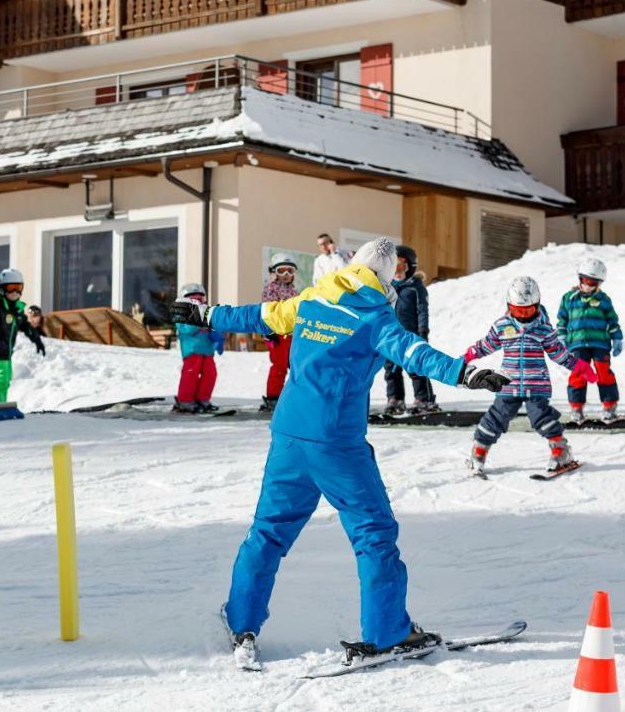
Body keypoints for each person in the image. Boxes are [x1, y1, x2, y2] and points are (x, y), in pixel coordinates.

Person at [171, 238, 509, 667]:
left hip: (290, 436)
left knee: (268, 532)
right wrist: (467, 372)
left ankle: (242, 621)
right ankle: (388, 631)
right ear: (384, 279)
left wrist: (206, 313)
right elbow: (414, 353)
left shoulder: (313, 299)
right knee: (373, 534)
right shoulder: (374, 317)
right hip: (337, 445)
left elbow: (259, 317)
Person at [464, 276, 596, 476]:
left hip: (536, 385)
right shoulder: (502, 326)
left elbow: (558, 353)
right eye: (518, 310)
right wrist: (470, 354)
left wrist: (579, 366)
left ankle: (561, 451)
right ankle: (479, 450)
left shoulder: (543, 329)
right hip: (508, 383)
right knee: (496, 417)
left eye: (528, 310)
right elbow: (487, 344)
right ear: (510, 306)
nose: (524, 315)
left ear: (537, 305)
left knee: (541, 417)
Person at [558, 258, 624, 425]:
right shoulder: (569, 298)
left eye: (592, 282)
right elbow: (562, 320)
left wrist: (617, 337)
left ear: (599, 283)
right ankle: (576, 409)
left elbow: (612, 320)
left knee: (603, 373)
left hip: (600, 343)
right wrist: (561, 336)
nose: (588, 285)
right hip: (577, 344)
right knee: (579, 374)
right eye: (585, 280)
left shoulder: (603, 299)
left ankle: (609, 407)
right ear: (579, 278)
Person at [383, 245, 439, 416]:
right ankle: (395, 399)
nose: (397, 272)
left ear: (410, 267)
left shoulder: (416, 287)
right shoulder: (387, 288)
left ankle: (425, 399)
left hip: (411, 336)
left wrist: (423, 333)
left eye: (401, 266)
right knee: (391, 369)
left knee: (416, 368)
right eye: (393, 267)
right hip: (391, 336)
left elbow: (423, 311)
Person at [0, 269, 46, 403]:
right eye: (11, 288)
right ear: (3, 288)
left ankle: (1, 405)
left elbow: (26, 326)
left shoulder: (16, 309)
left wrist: (37, 339)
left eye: (18, 288)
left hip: (7, 351)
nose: (15, 292)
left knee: (6, 380)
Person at [173, 282, 224, 414]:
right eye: (193, 299)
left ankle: (202, 399)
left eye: (200, 299)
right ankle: (185, 400)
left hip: (207, 350)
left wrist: (218, 337)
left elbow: (213, 327)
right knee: (191, 374)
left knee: (211, 374)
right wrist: (197, 322)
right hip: (192, 350)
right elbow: (184, 329)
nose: (197, 302)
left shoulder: (206, 312)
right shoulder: (182, 312)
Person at [259, 252, 298, 412]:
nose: (286, 275)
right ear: (274, 272)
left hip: (292, 334)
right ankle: (273, 397)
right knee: (279, 366)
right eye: (282, 271)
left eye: (290, 271)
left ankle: (291, 396)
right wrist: (268, 331)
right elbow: (266, 310)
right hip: (277, 334)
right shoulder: (270, 289)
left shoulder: (295, 292)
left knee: (296, 365)